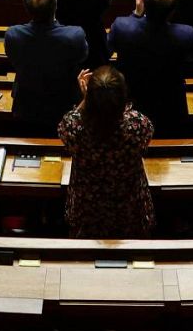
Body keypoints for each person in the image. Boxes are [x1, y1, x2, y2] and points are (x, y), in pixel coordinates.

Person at [57, 65, 153, 238]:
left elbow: (67, 123)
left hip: (87, 211)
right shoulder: (138, 125)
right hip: (129, 209)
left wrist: (87, 99)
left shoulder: (75, 128)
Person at [107, 0, 193, 134]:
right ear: (173, 11)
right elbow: (191, 57)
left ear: (143, 2)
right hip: (171, 100)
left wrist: (136, 15)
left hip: (132, 97)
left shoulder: (122, 26)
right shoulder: (186, 34)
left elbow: (110, 49)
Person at [5, 0, 88, 129]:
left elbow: (13, 59)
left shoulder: (13, 35)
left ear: (27, 9)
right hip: (64, 104)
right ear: (55, 6)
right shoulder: (75, 35)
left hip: (27, 105)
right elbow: (82, 56)